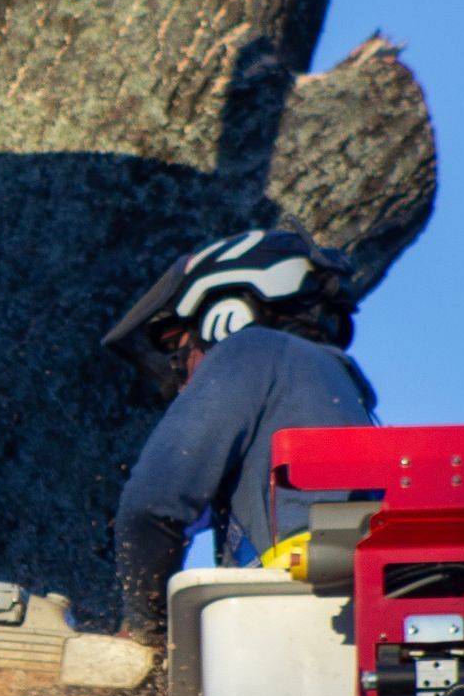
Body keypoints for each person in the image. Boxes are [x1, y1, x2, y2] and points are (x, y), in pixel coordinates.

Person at [105, 226, 376, 643]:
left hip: (289, 616)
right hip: (343, 624)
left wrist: (148, 634)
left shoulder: (253, 349)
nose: (182, 379)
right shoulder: (341, 395)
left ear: (225, 316)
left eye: (181, 353)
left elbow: (151, 505)